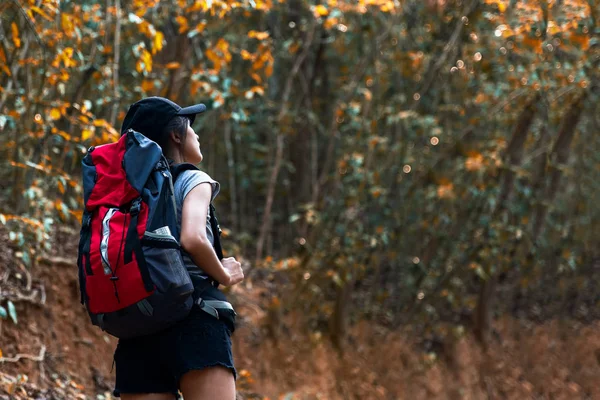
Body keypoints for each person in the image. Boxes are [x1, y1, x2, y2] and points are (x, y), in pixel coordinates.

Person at [113, 97, 244, 400]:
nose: (196, 134)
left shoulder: (126, 194)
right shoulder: (193, 179)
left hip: (137, 327)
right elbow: (193, 238)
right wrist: (224, 274)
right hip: (195, 317)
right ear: (175, 135)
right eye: (190, 126)